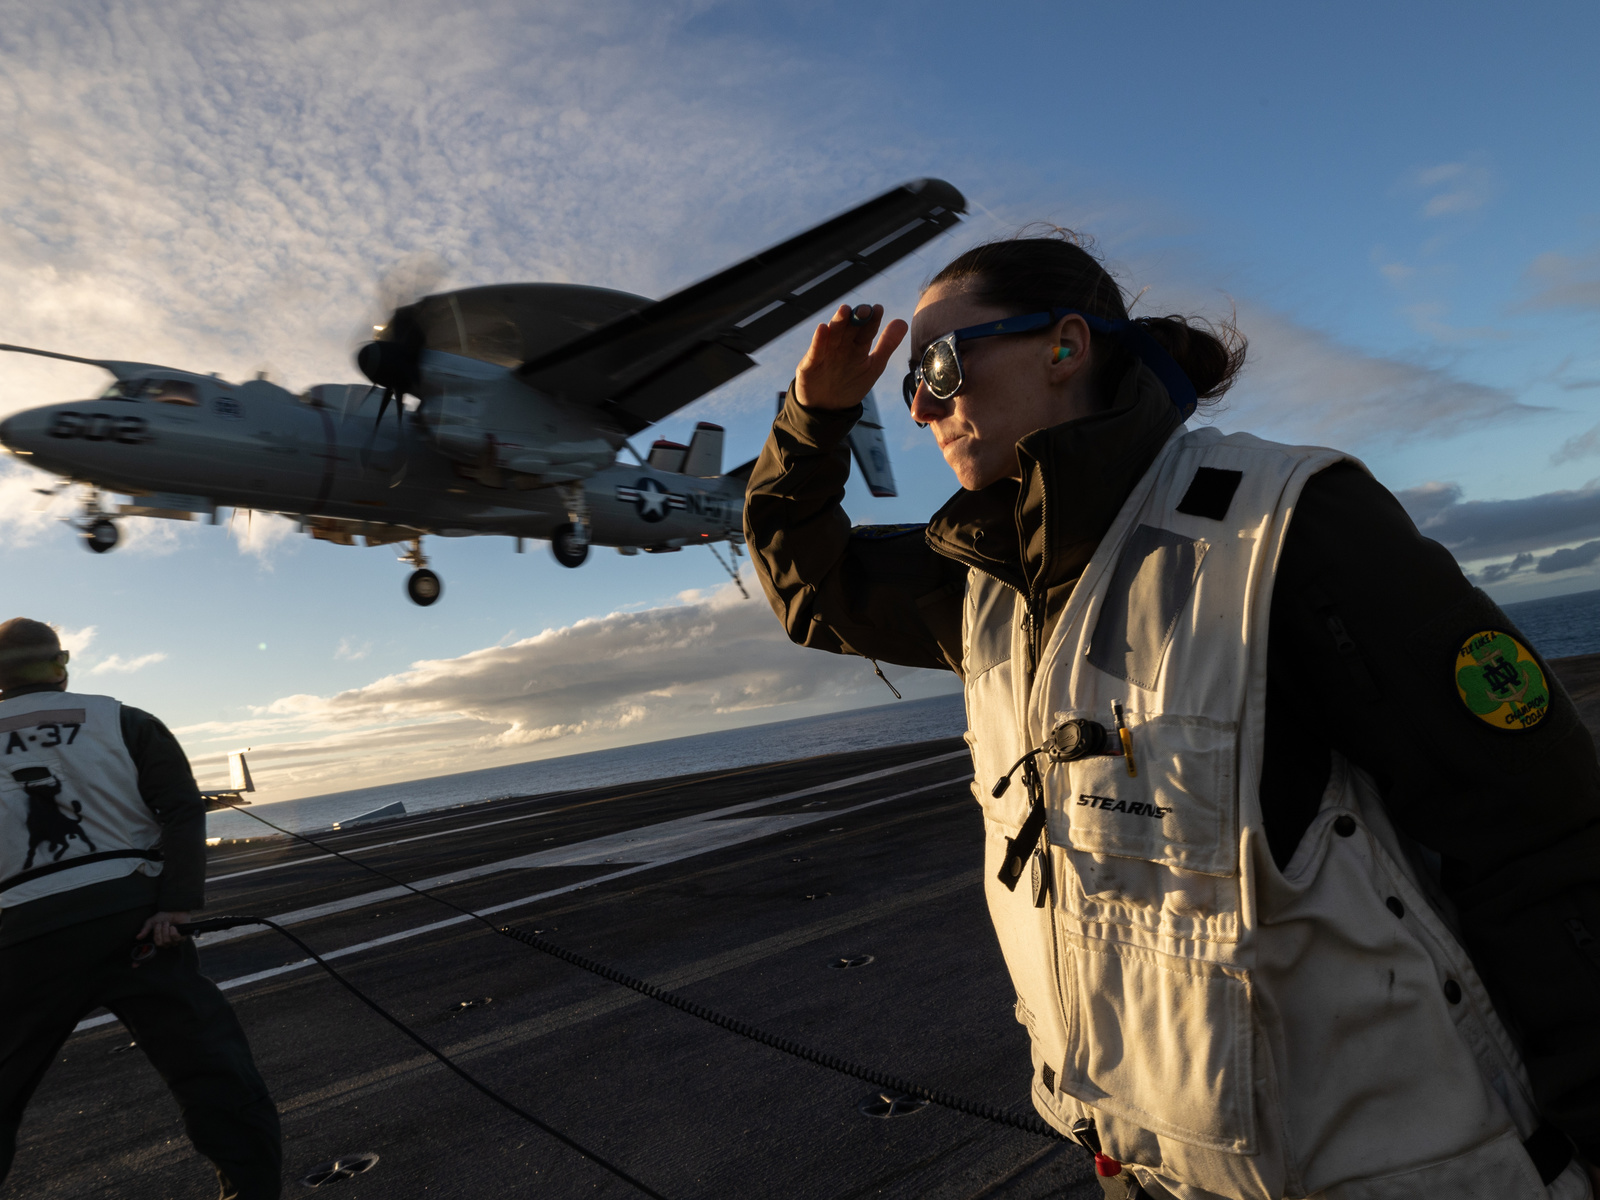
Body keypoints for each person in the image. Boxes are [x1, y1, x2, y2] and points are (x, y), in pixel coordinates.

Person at [744, 231, 1600, 1200]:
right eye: (906, 385)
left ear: (1064, 347)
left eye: (940, 365)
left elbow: (1542, 837)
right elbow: (809, 588)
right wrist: (815, 418)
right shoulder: (983, 584)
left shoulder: (1288, 524)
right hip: (1146, 1175)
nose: (919, 405)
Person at [0, 617, 281, 1199]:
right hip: (138, 926)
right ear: (61, 664)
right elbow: (182, 810)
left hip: (23, 938)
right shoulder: (122, 719)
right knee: (216, 1077)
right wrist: (176, 909)